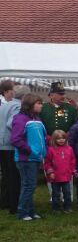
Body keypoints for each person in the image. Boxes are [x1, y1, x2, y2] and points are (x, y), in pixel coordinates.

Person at [10, 94, 47, 220]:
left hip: (35, 158)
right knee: (28, 186)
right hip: (26, 159)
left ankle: (30, 211)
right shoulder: (21, 119)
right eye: (38, 103)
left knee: (30, 185)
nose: (41, 106)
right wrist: (31, 151)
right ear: (30, 104)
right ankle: (22, 213)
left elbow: (41, 137)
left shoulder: (37, 119)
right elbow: (15, 139)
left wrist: (43, 152)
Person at [0, 81, 24, 215]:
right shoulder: (17, 106)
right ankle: (13, 202)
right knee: (14, 175)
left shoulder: (4, 105)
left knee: (5, 174)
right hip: (10, 144)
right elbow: (12, 123)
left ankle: (4, 201)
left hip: (2, 143)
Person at [43, 130, 76, 213]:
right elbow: (47, 163)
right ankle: (56, 208)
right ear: (54, 140)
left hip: (66, 176)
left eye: (63, 138)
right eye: (58, 138)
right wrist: (50, 172)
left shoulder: (69, 149)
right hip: (55, 176)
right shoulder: (50, 150)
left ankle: (67, 207)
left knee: (67, 193)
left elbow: (72, 161)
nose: (61, 140)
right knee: (56, 193)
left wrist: (73, 170)